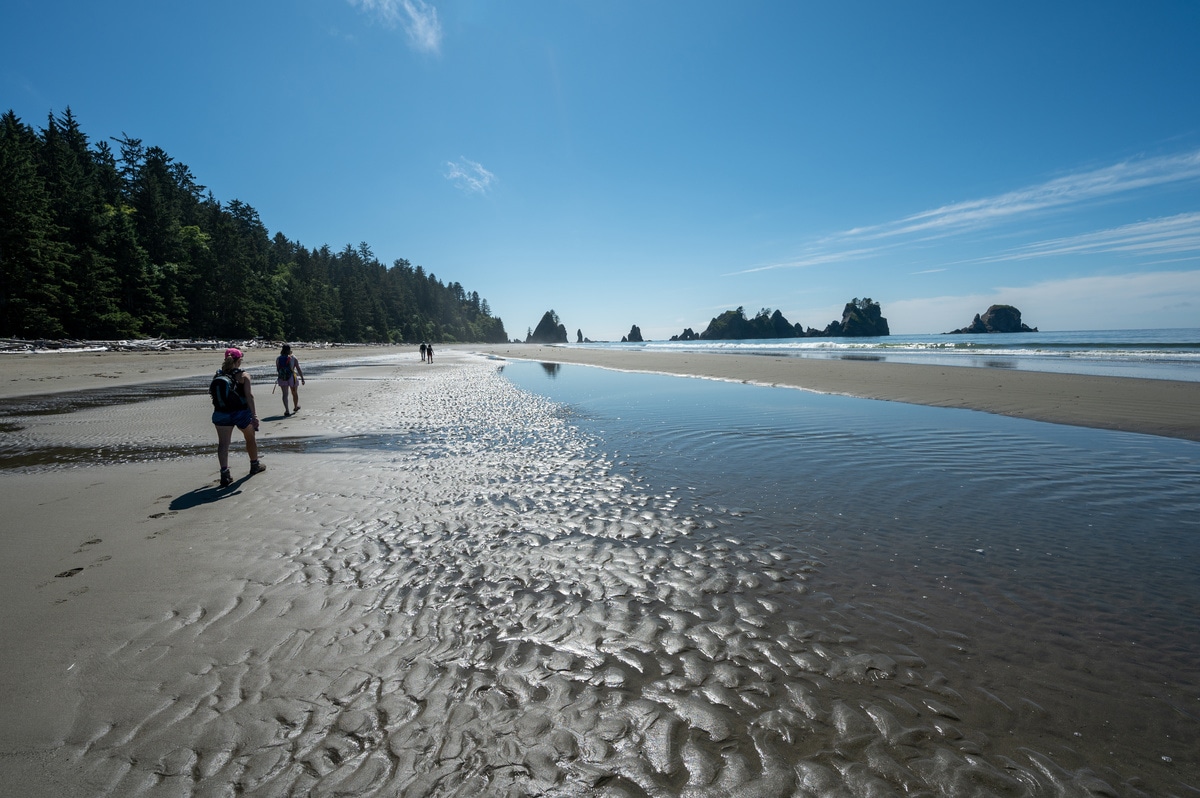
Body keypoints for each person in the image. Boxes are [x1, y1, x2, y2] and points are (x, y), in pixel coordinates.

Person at [211, 347, 265, 487]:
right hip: (240, 413)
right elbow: (249, 396)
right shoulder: (243, 375)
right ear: (239, 360)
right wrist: (254, 415)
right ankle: (254, 465)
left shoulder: (218, 375)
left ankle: (225, 473)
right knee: (250, 438)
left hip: (221, 413)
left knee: (223, 443)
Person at [275, 343, 305, 416]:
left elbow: (278, 369)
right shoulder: (293, 357)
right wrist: (302, 378)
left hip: (282, 377)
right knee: (294, 393)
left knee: (285, 394)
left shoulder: (278, 358)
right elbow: (298, 368)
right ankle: (295, 406)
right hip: (292, 377)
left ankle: (287, 410)